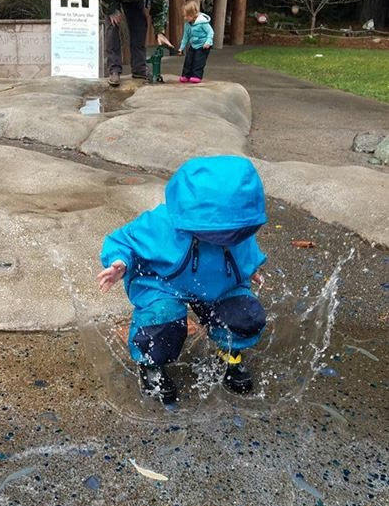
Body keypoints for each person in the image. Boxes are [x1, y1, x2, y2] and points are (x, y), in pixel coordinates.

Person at [97, 156, 267, 405]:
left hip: (221, 283)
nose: (229, 237)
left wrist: (249, 268)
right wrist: (119, 262)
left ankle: (229, 352)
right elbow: (124, 240)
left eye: (235, 232)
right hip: (165, 282)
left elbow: (244, 246)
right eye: (223, 232)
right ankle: (152, 364)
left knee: (244, 313)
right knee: (162, 318)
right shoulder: (161, 223)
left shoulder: (237, 227)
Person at [100, 0, 173, 86]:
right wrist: (111, 10)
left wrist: (159, 32)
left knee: (140, 25)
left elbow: (159, 9)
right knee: (113, 26)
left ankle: (139, 68)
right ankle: (114, 70)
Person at [178, 1, 213, 84]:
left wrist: (208, 42)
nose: (185, 18)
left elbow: (210, 32)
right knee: (188, 60)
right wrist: (181, 48)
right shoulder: (187, 24)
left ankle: (196, 76)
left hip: (203, 45)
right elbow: (185, 37)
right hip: (193, 45)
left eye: (186, 16)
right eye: (184, 16)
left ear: (193, 14)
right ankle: (186, 75)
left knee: (198, 61)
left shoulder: (202, 22)